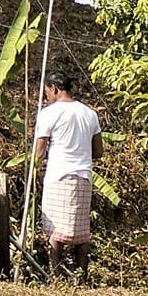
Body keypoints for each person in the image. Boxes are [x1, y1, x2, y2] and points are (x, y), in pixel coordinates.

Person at [31, 74, 101, 282]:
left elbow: (39, 151)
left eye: (46, 92)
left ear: (54, 88)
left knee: (56, 229)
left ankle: (56, 274)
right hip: (84, 177)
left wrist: (34, 171)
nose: (46, 97)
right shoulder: (90, 114)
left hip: (58, 175)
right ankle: (82, 275)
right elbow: (98, 151)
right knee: (81, 229)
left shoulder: (49, 114)